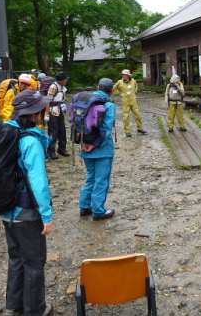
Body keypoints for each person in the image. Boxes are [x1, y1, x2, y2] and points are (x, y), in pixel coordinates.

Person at [2, 89, 54, 316]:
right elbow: (38, 182)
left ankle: (13, 306)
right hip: (26, 211)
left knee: (16, 258)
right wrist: (47, 215)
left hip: (5, 207)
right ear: (36, 112)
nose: (47, 109)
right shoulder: (30, 141)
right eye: (44, 106)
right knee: (34, 262)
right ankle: (35, 310)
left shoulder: (6, 132)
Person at [78, 78, 117, 221]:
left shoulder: (84, 101)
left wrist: (83, 142)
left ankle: (84, 207)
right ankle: (99, 211)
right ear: (112, 91)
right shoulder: (109, 105)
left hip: (85, 146)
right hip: (102, 149)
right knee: (101, 180)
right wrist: (95, 144)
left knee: (90, 178)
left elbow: (78, 124)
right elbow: (106, 129)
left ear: (97, 87)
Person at [113, 69, 146, 137]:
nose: (123, 76)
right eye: (122, 74)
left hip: (133, 100)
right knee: (126, 116)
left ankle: (140, 128)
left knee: (137, 114)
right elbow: (114, 88)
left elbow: (136, 86)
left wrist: (135, 91)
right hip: (125, 101)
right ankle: (127, 131)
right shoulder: (120, 82)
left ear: (128, 75)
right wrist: (119, 93)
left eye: (124, 74)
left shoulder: (133, 81)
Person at [46, 72, 70, 160]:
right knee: (53, 132)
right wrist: (47, 114)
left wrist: (64, 109)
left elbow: (61, 100)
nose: (67, 81)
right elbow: (48, 100)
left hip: (59, 111)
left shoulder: (62, 88)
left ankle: (62, 149)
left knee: (62, 131)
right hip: (53, 111)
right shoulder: (53, 87)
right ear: (62, 80)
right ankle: (51, 151)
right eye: (66, 79)